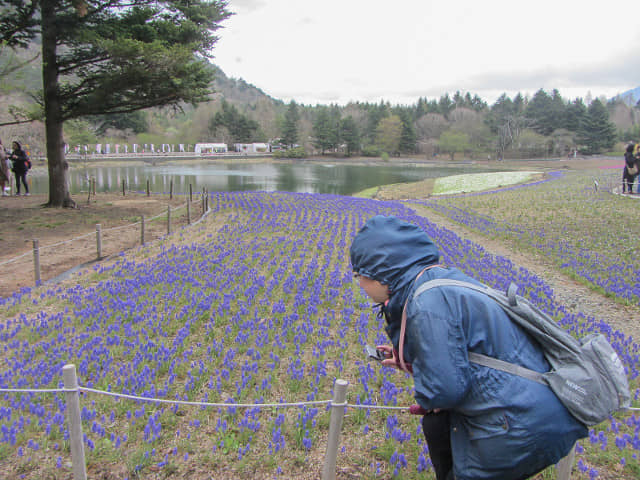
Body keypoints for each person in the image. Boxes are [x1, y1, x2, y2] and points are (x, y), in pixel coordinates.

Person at [350, 215, 587, 480]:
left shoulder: (425, 303)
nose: (359, 283)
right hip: (534, 407)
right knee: (437, 426)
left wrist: (428, 393)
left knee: (439, 427)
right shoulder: (434, 282)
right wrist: (413, 360)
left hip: (519, 421)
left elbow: (445, 388)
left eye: (359, 274)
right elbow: (463, 353)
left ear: (382, 275)